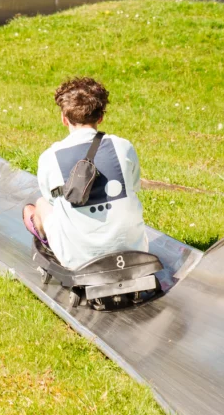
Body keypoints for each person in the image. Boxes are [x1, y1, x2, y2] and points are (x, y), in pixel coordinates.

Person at [23, 76, 148, 270]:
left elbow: (52, 200)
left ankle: (48, 240)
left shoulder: (50, 156)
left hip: (79, 260)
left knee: (40, 204)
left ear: (64, 119)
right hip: (135, 250)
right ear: (100, 117)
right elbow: (133, 186)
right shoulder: (123, 147)